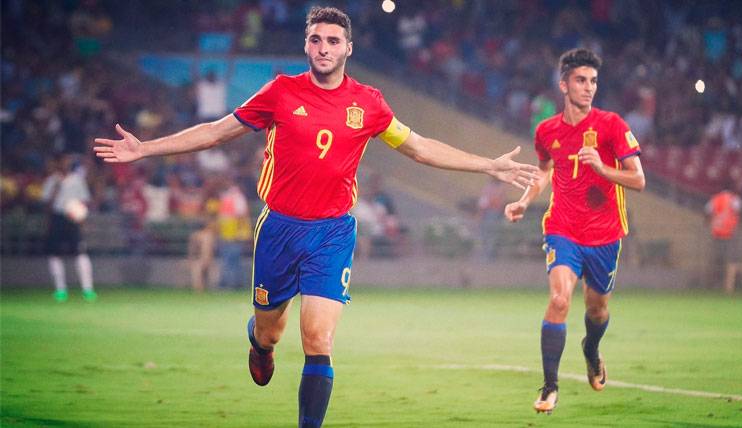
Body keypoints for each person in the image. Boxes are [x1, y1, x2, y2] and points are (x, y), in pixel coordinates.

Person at [94, 7, 538, 427]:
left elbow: (419, 147)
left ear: (348, 48)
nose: (323, 47)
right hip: (280, 230)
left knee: (318, 340)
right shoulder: (280, 93)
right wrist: (145, 148)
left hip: (332, 232)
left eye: (332, 40)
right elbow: (214, 132)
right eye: (315, 39)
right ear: (306, 46)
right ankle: (259, 343)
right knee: (271, 332)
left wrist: (487, 164)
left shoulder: (369, 103)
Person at [504, 48, 645, 414]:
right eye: (581, 80)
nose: (588, 88)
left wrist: (601, 167)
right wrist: (525, 199)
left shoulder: (612, 125)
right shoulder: (546, 130)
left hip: (605, 234)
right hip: (562, 228)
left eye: (593, 81)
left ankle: (591, 350)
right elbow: (546, 169)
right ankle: (550, 386)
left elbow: (639, 179)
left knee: (597, 310)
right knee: (560, 299)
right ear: (564, 84)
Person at [41, 155, 97, 302]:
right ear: (59, 163)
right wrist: (56, 188)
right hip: (57, 218)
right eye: (64, 160)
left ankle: (88, 290)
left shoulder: (77, 180)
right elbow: (47, 204)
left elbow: (84, 201)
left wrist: (82, 219)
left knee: (80, 252)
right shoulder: (52, 180)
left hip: (73, 219)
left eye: (69, 161)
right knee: (55, 253)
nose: (67, 163)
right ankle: (60, 290)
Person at [705, 179, 742, 286]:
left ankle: (713, 283)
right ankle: (731, 284)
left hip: (717, 233)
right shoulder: (735, 199)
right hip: (730, 234)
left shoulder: (715, 199)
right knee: (731, 260)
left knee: (716, 260)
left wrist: (711, 223)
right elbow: (739, 211)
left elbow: (707, 211)